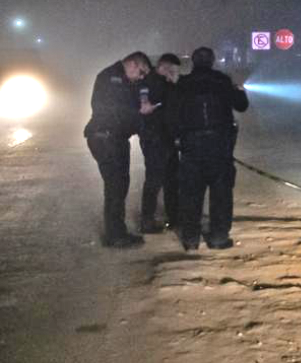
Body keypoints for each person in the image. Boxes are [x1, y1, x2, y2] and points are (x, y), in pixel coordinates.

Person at [170, 47, 248, 251]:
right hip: (219, 144)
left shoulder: (183, 84)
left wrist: (179, 138)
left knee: (190, 193)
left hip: (191, 146)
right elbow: (241, 105)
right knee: (221, 192)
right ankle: (219, 237)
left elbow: (172, 115)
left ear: (194, 62)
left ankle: (190, 239)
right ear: (212, 61)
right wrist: (239, 90)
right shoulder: (222, 81)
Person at [84, 51, 155, 247]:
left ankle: (117, 231)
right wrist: (138, 112)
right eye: (141, 72)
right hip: (105, 137)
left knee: (119, 184)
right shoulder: (109, 77)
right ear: (132, 64)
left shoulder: (127, 81)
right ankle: (116, 236)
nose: (141, 78)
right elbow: (105, 108)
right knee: (115, 186)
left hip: (115, 138)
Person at [138, 53, 182, 233]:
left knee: (169, 180)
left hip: (163, 138)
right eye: (173, 70)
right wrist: (174, 85)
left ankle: (172, 217)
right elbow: (156, 106)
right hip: (157, 139)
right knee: (156, 180)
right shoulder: (154, 83)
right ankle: (149, 221)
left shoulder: (158, 82)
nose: (174, 74)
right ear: (164, 67)